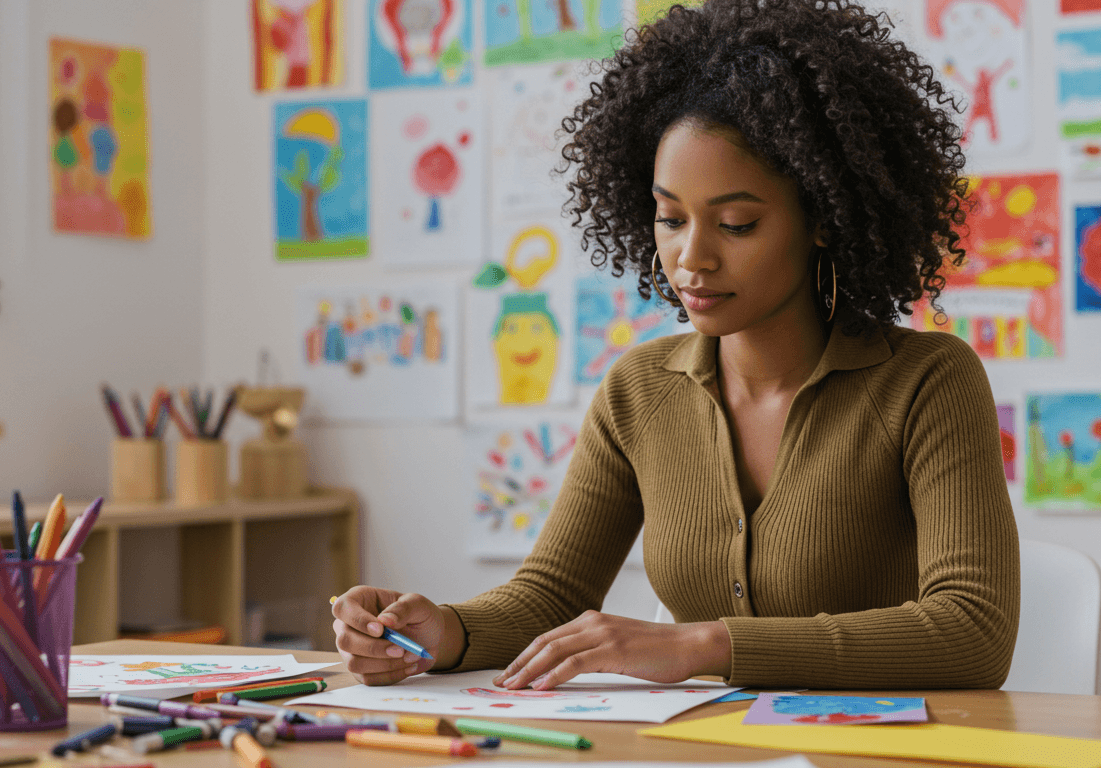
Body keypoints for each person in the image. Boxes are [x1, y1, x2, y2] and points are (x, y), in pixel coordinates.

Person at [332, 0, 1019, 691]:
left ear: (823, 216)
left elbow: (972, 632)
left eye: (737, 224)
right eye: (670, 217)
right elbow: (550, 597)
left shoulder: (927, 382)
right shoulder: (639, 390)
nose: (691, 258)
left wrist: (702, 645)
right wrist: (443, 632)